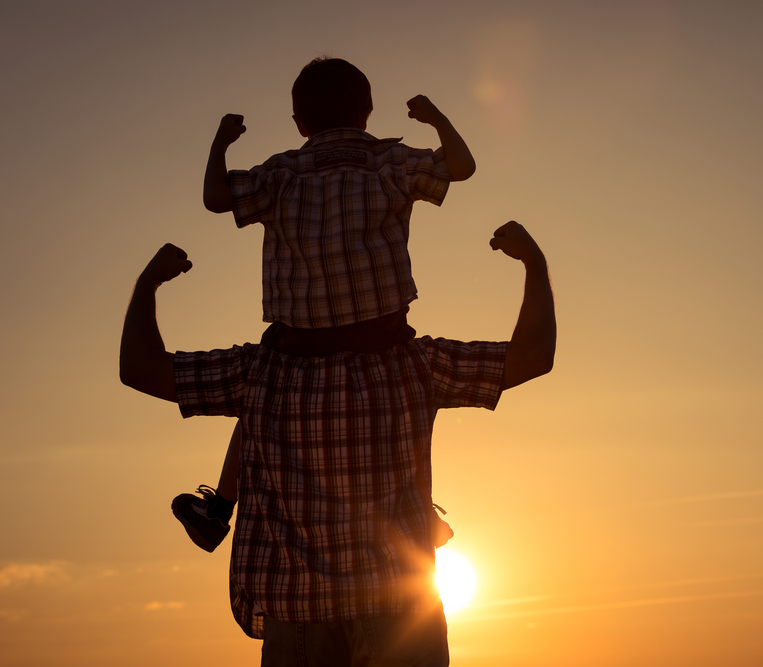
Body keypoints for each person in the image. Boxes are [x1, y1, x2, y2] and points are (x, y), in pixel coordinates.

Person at [120, 221, 555, 664]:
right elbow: (533, 355)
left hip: (297, 611)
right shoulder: (417, 365)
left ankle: (217, 511)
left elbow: (140, 368)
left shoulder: (262, 372)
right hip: (400, 607)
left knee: (253, 420)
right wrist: (534, 264)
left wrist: (148, 283)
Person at [174, 56, 477, 552]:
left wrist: (220, 144)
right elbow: (462, 168)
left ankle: (218, 511)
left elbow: (214, 197)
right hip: (383, 334)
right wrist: (437, 118)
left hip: (299, 345)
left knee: (255, 402)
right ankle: (419, 509)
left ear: (299, 123)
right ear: (368, 112)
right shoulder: (390, 161)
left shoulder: (281, 173)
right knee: (414, 391)